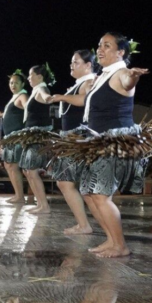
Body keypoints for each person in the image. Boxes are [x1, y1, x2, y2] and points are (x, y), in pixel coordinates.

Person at [79, 32, 148, 258]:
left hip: (112, 142)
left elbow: (128, 83)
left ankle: (120, 245)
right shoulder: (101, 76)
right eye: (99, 45)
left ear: (120, 52)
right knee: (89, 194)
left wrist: (134, 77)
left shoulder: (120, 73)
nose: (100, 49)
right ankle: (110, 240)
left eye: (107, 46)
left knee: (100, 195)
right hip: (95, 141)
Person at [47, 50, 97, 235]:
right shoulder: (80, 83)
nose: (71, 65)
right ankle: (84, 225)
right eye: (71, 62)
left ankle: (85, 225)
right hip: (72, 138)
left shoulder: (90, 82)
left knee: (69, 183)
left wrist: (62, 97)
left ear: (88, 65)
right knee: (69, 184)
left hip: (79, 138)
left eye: (75, 62)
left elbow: (84, 100)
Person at [18, 64, 55, 214]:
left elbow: (47, 99)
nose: (28, 78)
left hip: (38, 135)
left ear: (39, 76)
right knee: (27, 171)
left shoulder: (41, 89)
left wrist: (50, 98)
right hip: (31, 135)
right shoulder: (35, 91)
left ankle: (44, 206)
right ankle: (40, 203)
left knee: (32, 171)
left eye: (30, 75)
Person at [0, 71, 28, 203]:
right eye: (11, 82)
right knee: (9, 165)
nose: (13, 85)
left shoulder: (22, 95)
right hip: (10, 137)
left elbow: (28, 108)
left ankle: (20, 196)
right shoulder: (14, 97)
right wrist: (4, 114)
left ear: (22, 84)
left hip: (17, 137)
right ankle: (18, 195)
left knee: (14, 165)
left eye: (16, 82)